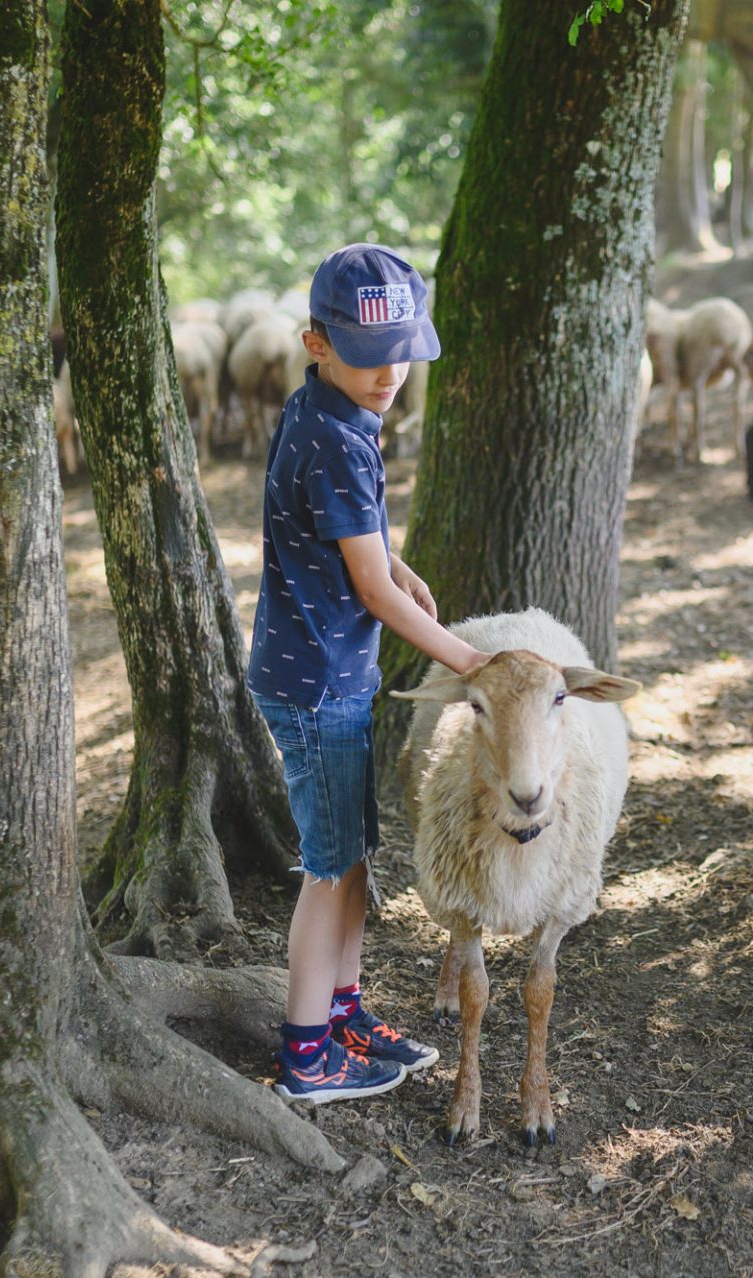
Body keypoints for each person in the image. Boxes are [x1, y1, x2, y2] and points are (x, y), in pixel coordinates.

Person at [246, 243, 487, 1102]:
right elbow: (373, 594)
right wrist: (470, 661)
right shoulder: (338, 439)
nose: (390, 374)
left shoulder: (327, 409)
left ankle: (344, 1014)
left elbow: (353, 539)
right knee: (328, 869)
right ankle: (307, 1055)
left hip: (323, 670)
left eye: (402, 355)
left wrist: (395, 562)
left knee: (351, 860)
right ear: (317, 343)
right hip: (317, 682)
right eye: (368, 355)